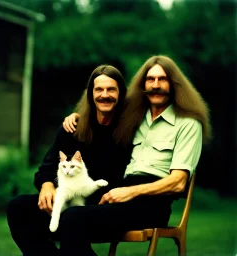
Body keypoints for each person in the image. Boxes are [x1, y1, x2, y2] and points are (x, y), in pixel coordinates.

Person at [61, 55, 212, 254]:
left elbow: (178, 182)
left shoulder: (188, 124)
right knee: (64, 219)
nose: (156, 85)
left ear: (174, 84)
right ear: (143, 85)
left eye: (162, 79)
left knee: (73, 219)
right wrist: (79, 116)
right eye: (150, 79)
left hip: (152, 205)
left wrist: (128, 192)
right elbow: (104, 109)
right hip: (120, 197)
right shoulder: (134, 116)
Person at [6, 64, 133, 256]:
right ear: (90, 94)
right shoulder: (74, 128)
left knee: (71, 219)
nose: (104, 95)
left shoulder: (132, 130)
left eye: (111, 89)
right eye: (99, 89)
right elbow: (47, 167)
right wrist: (47, 186)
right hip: (70, 203)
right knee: (19, 207)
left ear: (121, 94)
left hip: (106, 209)